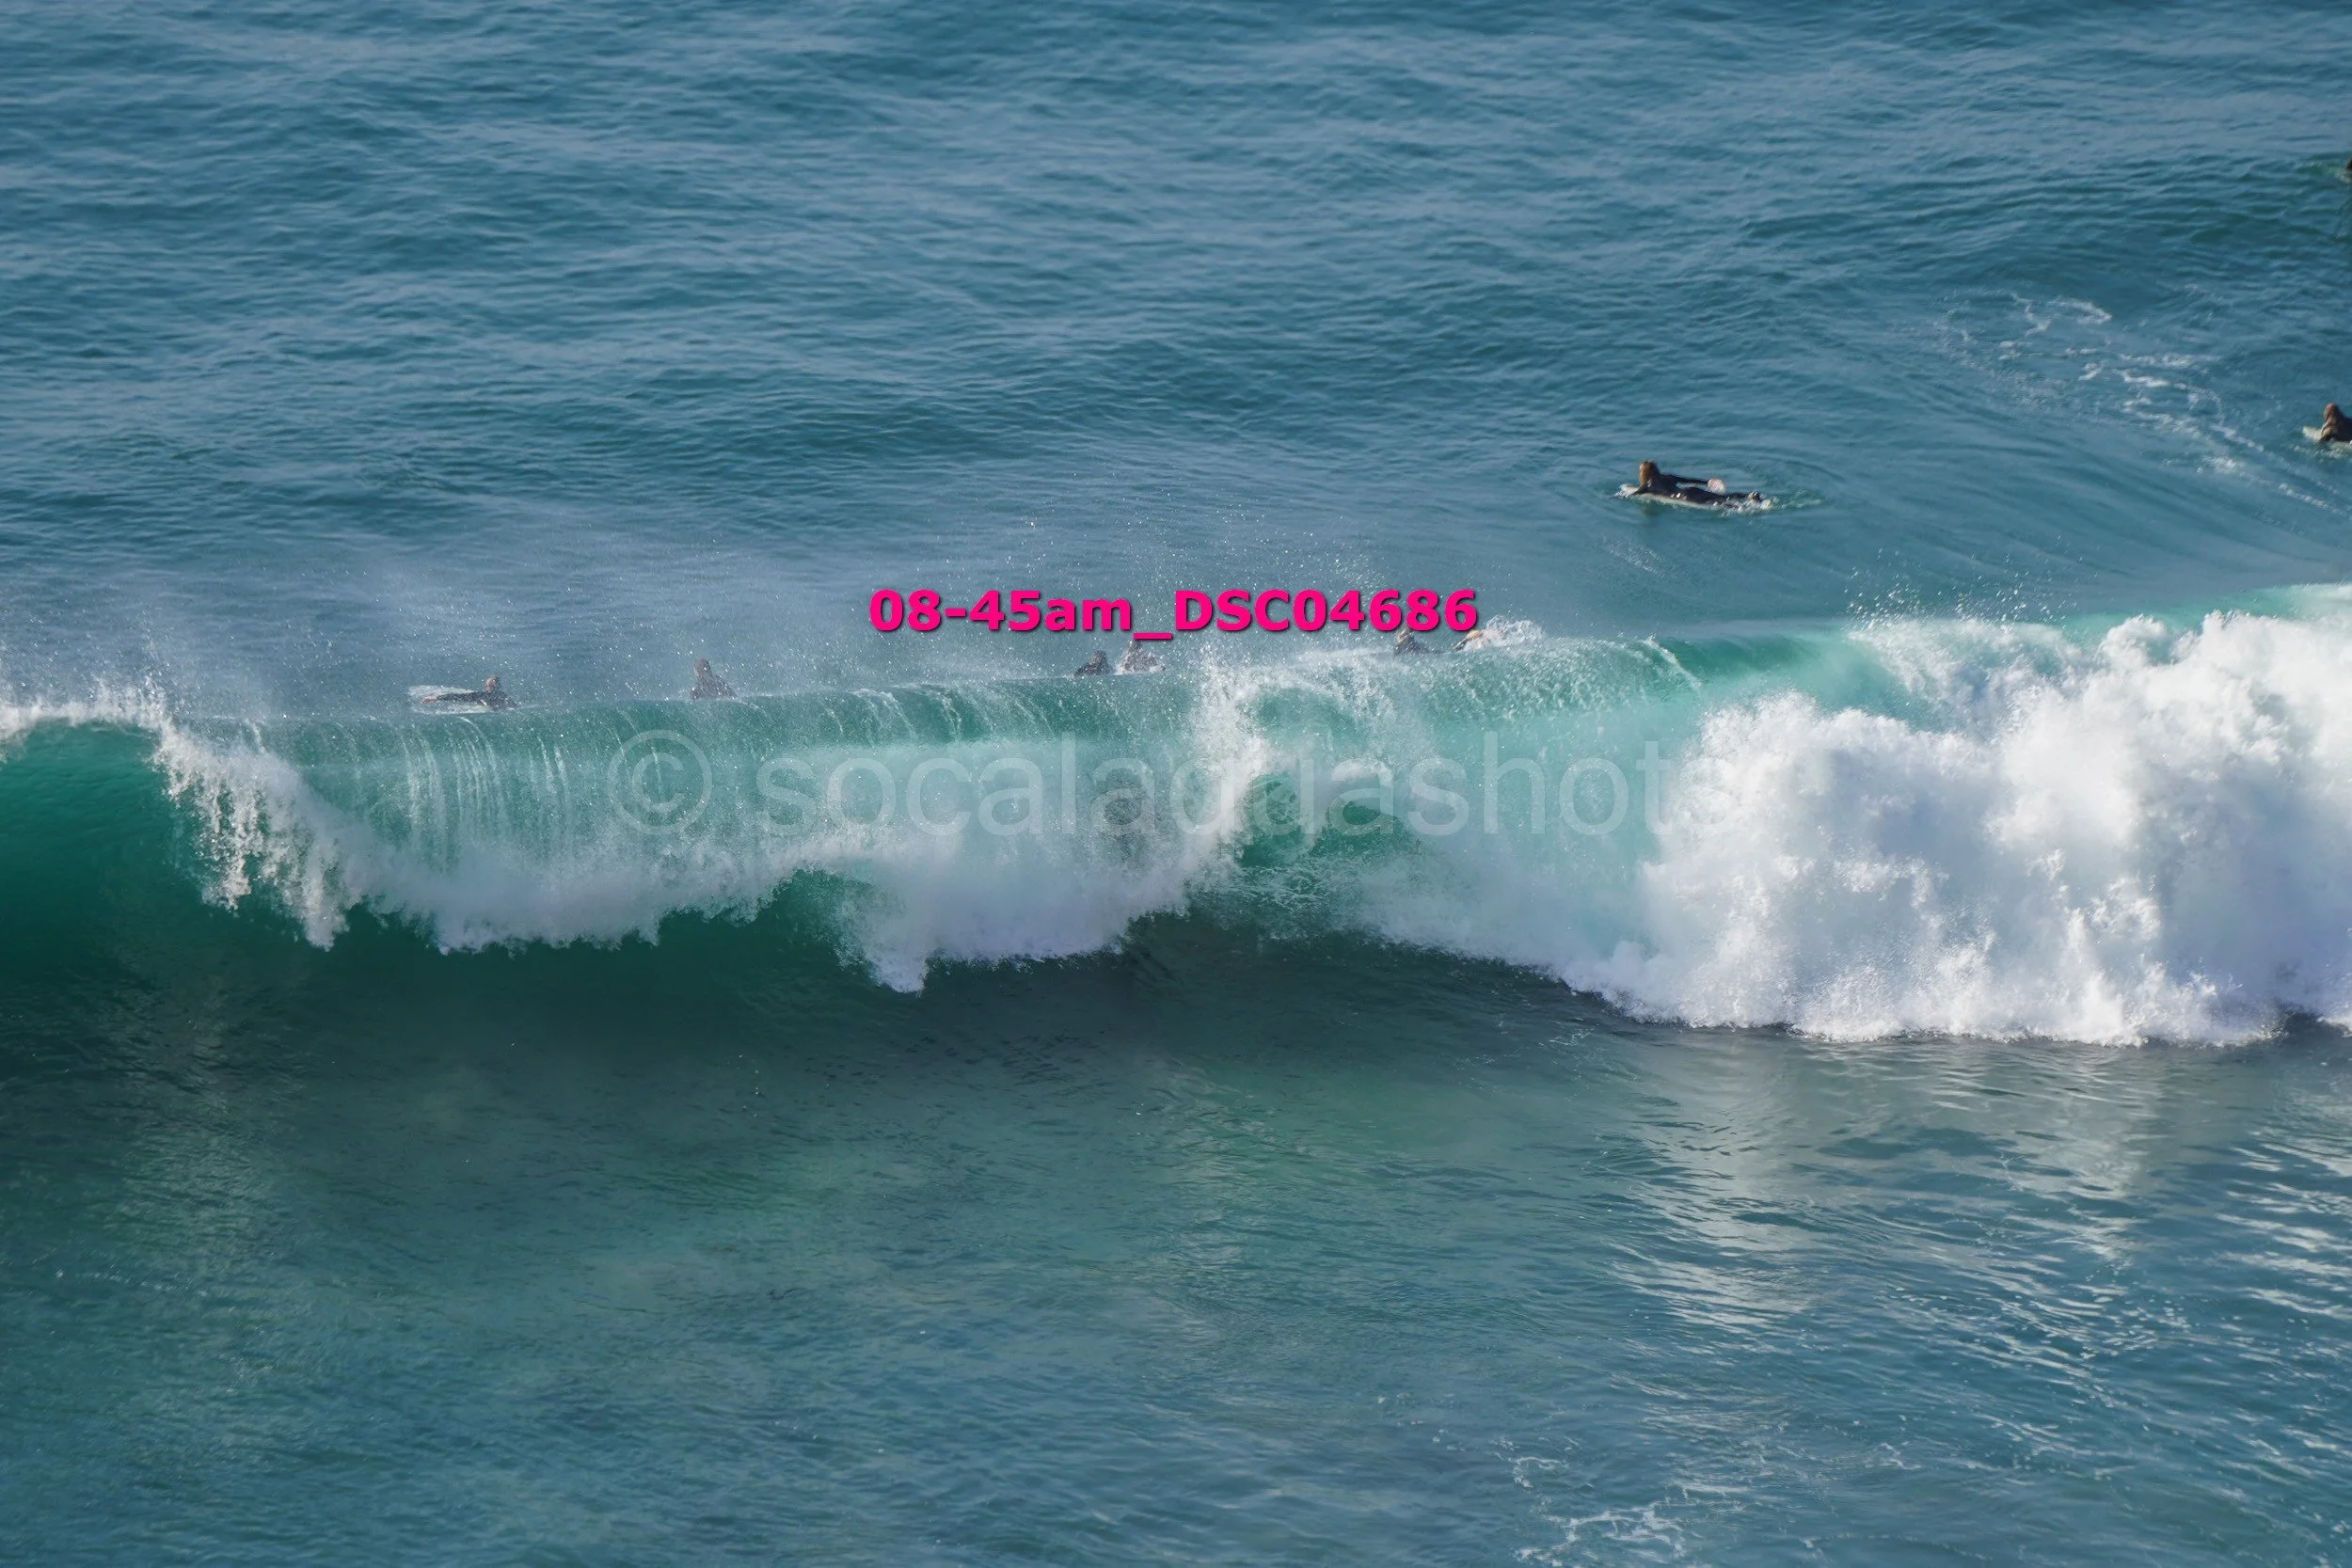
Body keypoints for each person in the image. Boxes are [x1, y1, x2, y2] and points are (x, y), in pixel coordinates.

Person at [1632, 460, 1762, 506]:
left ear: (1644, 474)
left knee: (1720, 504)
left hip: (1685, 497)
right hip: (1692, 490)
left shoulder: (1647, 486)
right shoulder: (1668, 477)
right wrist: (1707, 482)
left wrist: (1618, 496)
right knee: (1724, 497)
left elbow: (1633, 494)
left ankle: (1744, 508)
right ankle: (1748, 496)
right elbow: (1689, 480)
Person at [424, 675, 513, 709]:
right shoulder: (505, 697)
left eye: (486, 685)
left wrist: (437, 697)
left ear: (487, 687)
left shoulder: (481, 696)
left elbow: (460, 697)